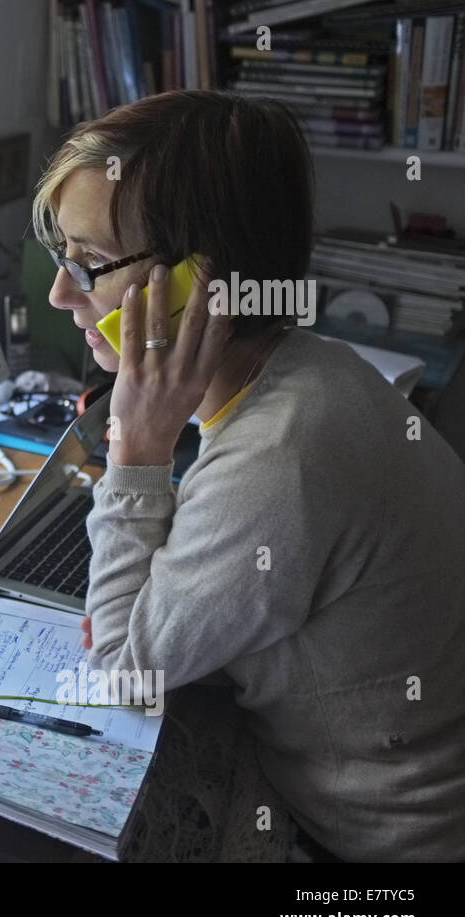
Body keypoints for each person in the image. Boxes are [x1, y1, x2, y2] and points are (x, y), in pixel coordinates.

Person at [29, 89, 465, 862]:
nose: (63, 291)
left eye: (90, 263)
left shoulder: (282, 460)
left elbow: (123, 672)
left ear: (198, 280)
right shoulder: (315, 368)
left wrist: (136, 451)